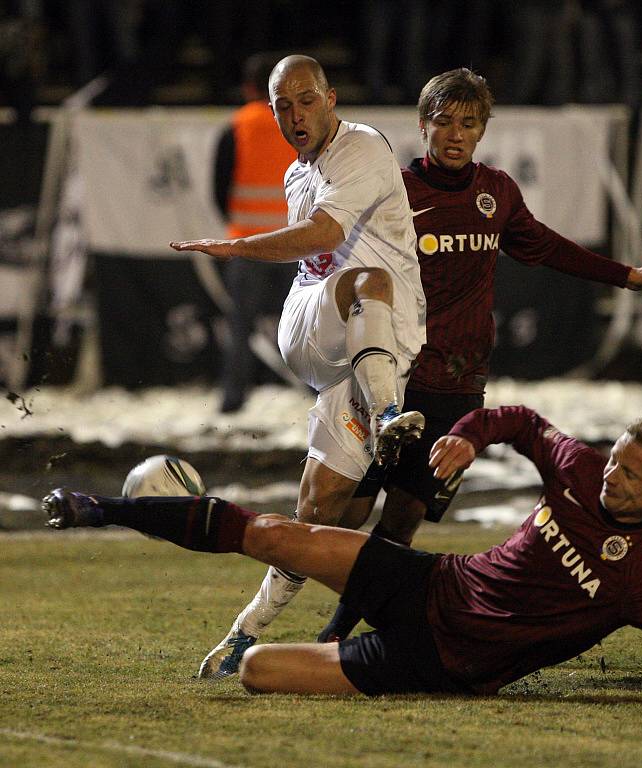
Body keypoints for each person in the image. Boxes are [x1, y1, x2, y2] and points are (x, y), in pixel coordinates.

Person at [317, 67, 642, 642]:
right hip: (395, 382)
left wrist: (627, 275)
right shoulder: (395, 192)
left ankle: (335, 634)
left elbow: (543, 247)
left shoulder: (497, 193)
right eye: (443, 122)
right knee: (348, 514)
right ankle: (297, 604)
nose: (455, 134)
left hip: (459, 389)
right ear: (422, 126)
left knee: (404, 520)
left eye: (468, 123)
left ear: (483, 130)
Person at [43, 405, 642, 710]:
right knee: (278, 534)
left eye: (630, 475)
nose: (611, 477)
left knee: (258, 671)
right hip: (434, 580)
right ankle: (100, 508)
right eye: (616, 461)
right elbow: (520, 421)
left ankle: (339, 634)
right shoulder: (581, 468)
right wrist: (467, 436)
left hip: (447, 662)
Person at [169, 55, 427, 678]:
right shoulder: (297, 173)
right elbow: (320, 239)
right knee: (365, 279)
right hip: (318, 319)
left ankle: (244, 631)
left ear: (331, 98)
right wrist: (236, 248)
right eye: (281, 105)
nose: (292, 115)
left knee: (319, 510)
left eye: (304, 101)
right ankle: (389, 411)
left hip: (361, 353)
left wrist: (237, 247)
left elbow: (323, 231)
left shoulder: (361, 146)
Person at [213, 53, 297, 413]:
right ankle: (316, 393)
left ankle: (233, 398)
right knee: (303, 324)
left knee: (240, 325)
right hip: (294, 243)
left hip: (246, 243)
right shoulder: (297, 123)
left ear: (248, 87)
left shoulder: (235, 126)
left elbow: (219, 188)